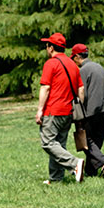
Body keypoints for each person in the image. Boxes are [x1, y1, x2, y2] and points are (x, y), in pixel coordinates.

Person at [36, 33, 85, 184]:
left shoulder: (50, 64)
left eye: (47, 45)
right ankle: (56, 178)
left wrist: (39, 110)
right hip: (68, 111)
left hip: (53, 110)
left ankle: (75, 164)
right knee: (59, 144)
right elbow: (81, 90)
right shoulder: (73, 64)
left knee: (48, 143)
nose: (46, 48)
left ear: (51, 48)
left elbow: (45, 88)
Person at [70, 44, 104, 177]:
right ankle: (91, 171)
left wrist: (78, 111)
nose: (73, 61)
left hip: (90, 110)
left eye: (73, 58)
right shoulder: (98, 67)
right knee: (97, 138)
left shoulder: (83, 70)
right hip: (103, 108)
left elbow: (82, 92)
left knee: (86, 139)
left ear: (77, 56)